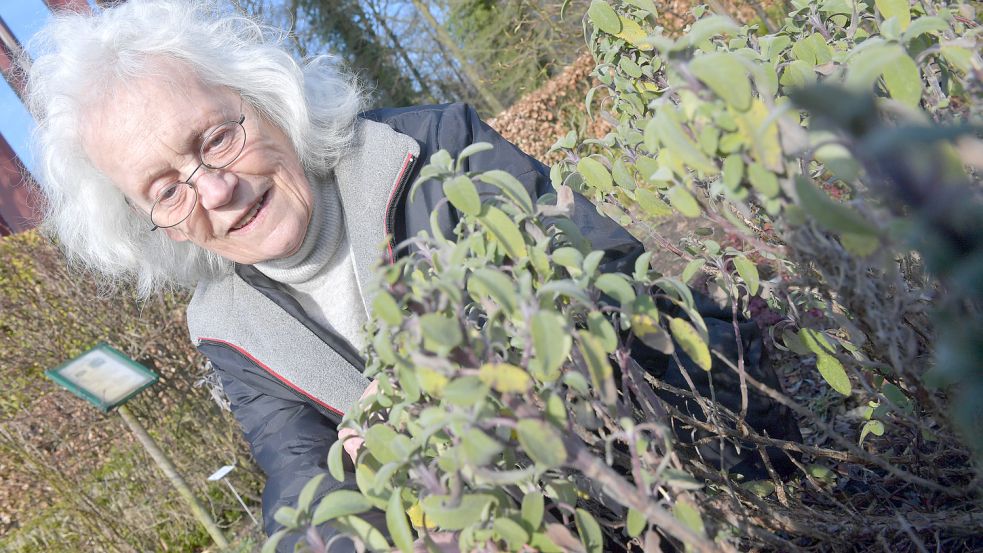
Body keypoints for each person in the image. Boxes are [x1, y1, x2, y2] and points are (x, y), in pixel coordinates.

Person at [26, 1, 799, 550]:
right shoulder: (223, 323)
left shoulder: (431, 149)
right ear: (145, 222)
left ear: (262, 97)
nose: (215, 192)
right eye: (166, 188)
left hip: (698, 469)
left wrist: (437, 407)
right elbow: (299, 479)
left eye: (216, 138)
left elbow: (607, 278)